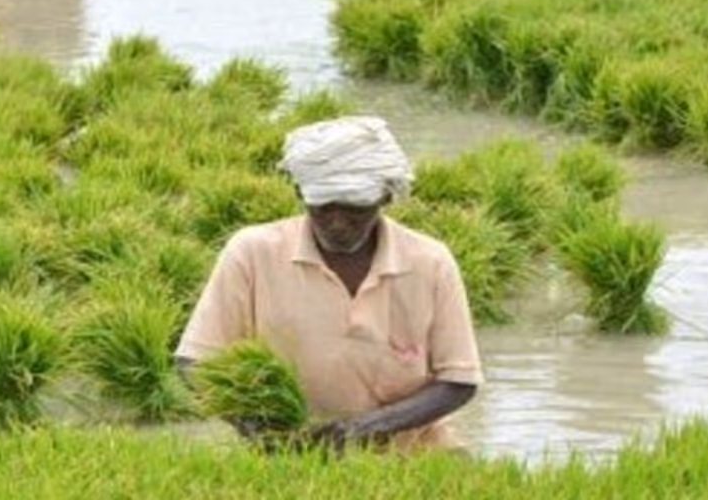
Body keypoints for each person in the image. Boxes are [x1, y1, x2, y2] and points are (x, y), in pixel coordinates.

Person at [175, 115, 483, 452]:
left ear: (385, 197)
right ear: (300, 193)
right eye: (323, 208)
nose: (337, 224)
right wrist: (259, 428)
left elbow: (458, 381)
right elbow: (195, 361)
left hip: (415, 453)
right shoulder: (252, 253)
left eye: (355, 209)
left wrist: (368, 427)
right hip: (291, 452)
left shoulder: (430, 263)